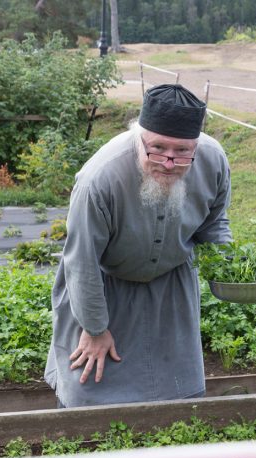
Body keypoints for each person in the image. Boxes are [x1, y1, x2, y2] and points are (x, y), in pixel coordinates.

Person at [44, 84, 232, 408]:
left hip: (171, 295)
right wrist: (95, 328)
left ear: (197, 146)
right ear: (138, 136)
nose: (169, 162)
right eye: (158, 148)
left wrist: (231, 271)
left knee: (176, 392)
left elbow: (214, 223)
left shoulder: (213, 161)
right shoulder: (100, 178)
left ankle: (166, 456)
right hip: (104, 289)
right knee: (89, 385)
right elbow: (82, 262)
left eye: (183, 151)